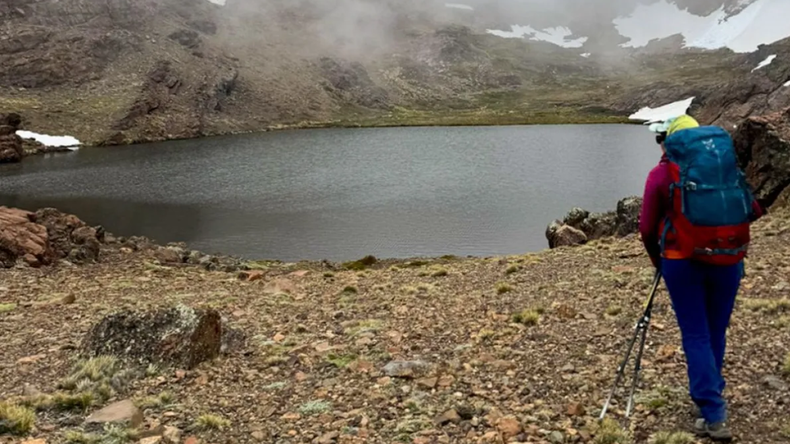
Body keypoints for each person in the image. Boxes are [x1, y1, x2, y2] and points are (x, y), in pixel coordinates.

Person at [638, 114, 764, 441]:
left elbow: (647, 228)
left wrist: (660, 261)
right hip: (729, 258)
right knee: (715, 330)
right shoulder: (723, 170)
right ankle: (711, 397)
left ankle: (713, 412)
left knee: (696, 334)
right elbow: (754, 209)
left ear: (670, 140)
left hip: (683, 263)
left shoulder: (661, 174)